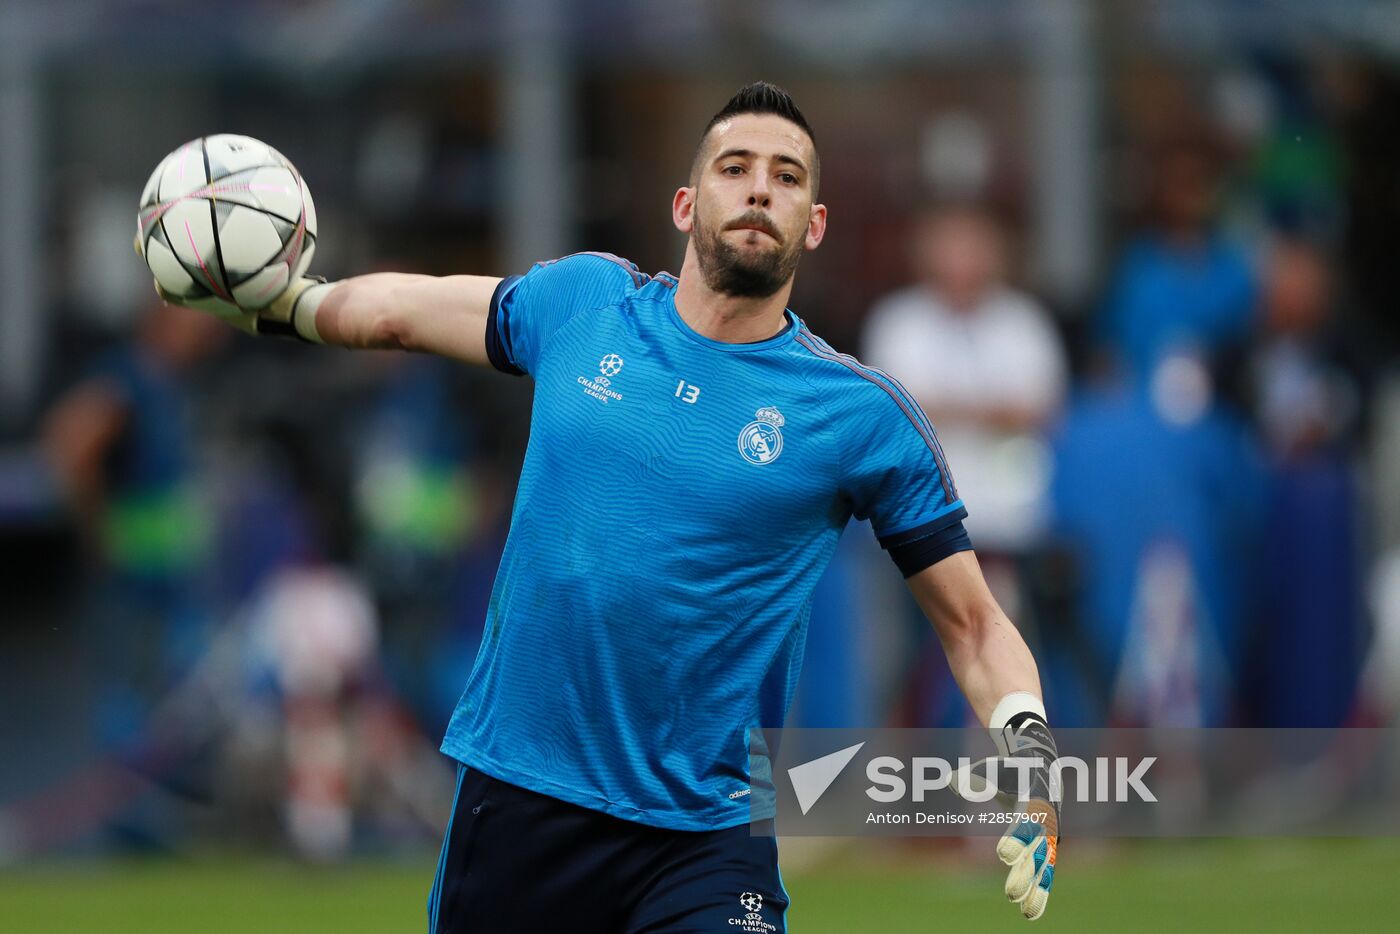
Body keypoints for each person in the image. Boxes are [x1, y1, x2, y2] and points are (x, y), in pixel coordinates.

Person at [139, 83, 1060, 929]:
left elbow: (976, 625)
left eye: (785, 178)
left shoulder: (860, 416)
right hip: (521, 799)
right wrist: (273, 303)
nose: (758, 191)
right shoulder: (585, 303)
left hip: (706, 835)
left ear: (812, 225)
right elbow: (399, 311)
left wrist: (1033, 758)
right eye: (733, 168)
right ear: (685, 205)